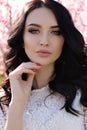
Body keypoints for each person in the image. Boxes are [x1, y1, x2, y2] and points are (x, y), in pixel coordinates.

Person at [0, 0, 87, 129]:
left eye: (56, 32)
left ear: (65, 39)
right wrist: (17, 104)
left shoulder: (82, 94)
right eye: (34, 30)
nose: (44, 41)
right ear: (21, 38)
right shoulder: (4, 100)